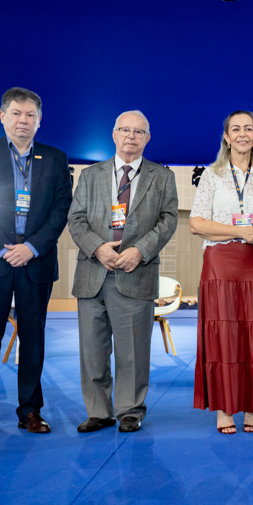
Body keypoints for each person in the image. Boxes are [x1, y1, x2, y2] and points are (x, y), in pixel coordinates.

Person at [0, 87, 72, 438]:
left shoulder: (54, 158)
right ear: (2, 116)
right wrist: (3, 248)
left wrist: (32, 247)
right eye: (17, 114)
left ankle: (30, 410)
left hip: (35, 262)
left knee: (33, 340)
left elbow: (60, 211)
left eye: (31, 115)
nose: (24, 121)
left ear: (40, 120)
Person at [68, 111, 178, 434]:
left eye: (139, 131)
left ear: (147, 138)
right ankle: (98, 411)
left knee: (133, 350)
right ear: (113, 135)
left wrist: (140, 251)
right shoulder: (90, 176)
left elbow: (169, 220)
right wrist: (98, 248)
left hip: (136, 272)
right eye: (125, 130)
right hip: (93, 272)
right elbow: (76, 220)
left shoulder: (162, 177)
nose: (131, 136)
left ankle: (130, 409)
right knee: (92, 349)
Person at [189, 110, 253, 434]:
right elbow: (197, 223)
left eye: (249, 129)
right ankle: (224, 408)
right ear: (226, 137)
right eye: (236, 129)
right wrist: (240, 232)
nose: (242, 134)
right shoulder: (212, 175)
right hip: (221, 265)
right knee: (224, 338)